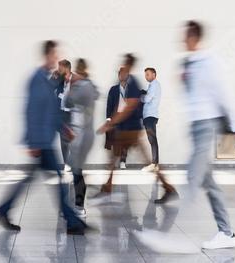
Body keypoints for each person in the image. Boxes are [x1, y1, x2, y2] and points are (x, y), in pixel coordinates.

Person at [0, 40, 89, 235]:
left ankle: (3, 211)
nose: (57, 58)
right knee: (57, 181)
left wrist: (63, 129)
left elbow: (51, 111)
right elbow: (31, 111)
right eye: (55, 54)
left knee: (35, 180)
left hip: (45, 139)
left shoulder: (47, 79)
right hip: (41, 142)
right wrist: (32, 142)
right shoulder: (37, 79)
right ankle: (71, 222)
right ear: (47, 55)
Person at [180, 20, 235, 249]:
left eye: (185, 36)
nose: (182, 40)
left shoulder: (211, 62)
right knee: (209, 183)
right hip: (196, 126)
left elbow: (226, 95)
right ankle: (226, 233)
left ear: (194, 37)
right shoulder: (190, 63)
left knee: (193, 176)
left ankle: (175, 230)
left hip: (208, 124)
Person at [95, 66, 178, 204]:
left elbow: (135, 105)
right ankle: (107, 188)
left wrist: (116, 121)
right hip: (123, 127)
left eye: (124, 72)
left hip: (131, 128)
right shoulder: (115, 89)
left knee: (120, 160)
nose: (122, 75)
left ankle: (168, 187)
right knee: (114, 160)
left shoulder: (134, 87)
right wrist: (110, 120)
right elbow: (111, 105)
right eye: (120, 73)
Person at [65, 58, 99, 217]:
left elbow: (68, 100)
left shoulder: (82, 87)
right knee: (76, 169)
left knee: (77, 170)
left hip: (82, 135)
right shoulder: (89, 85)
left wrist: (73, 85)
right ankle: (75, 204)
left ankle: (79, 207)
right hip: (81, 134)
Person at [141, 67, 162, 172]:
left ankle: (154, 163)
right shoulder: (152, 86)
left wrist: (140, 96)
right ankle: (155, 164)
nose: (146, 76)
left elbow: (147, 99)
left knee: (152, 139)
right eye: (145, 74)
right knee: (152, 139)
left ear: (154, 74)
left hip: (150, 116)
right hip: (149, 116)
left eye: (148, 74)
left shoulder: (154, 85)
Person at [55, 59, 74, 172]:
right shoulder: (59, 80)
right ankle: (66, 163)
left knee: (74, 140)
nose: (58, 70)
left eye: (60, 68)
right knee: (63, 140)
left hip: (73, 113)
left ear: (67, 68)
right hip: (62, 113)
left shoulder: (76, 80)